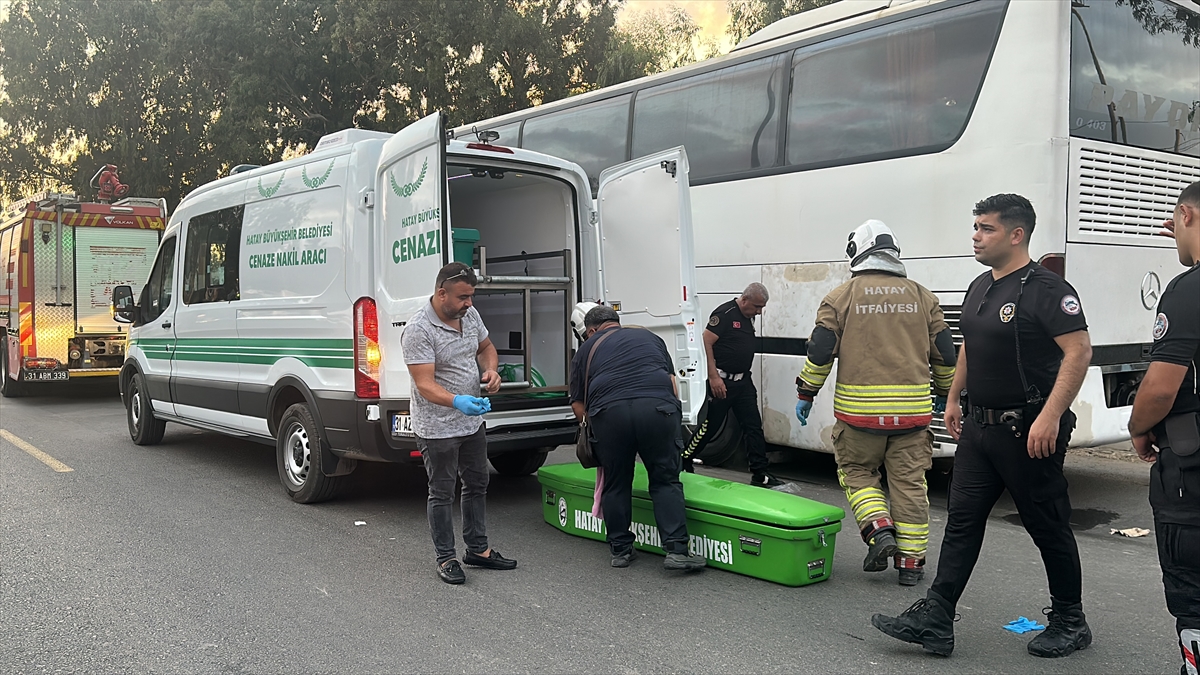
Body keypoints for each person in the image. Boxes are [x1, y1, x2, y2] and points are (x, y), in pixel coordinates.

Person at [872, 194, 1094, 658]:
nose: (975, 235)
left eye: (986, 228)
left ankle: (1071, 620)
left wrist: (1051, 416)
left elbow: (1079, 352)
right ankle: (936, 616)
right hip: (979, 429)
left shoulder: (1046, 288)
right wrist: (953, 398)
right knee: (962, 523)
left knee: (1047, 525)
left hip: (1028, 430)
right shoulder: (979, 285)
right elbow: (969, 343)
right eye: (975, 226)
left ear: (1016, 235)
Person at [795, 219, 955, 586]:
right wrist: (947, 394)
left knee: (857, 472)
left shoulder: (841, 297)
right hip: (914, 418)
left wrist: (806, 393)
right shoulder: (923, 296)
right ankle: (911, 565)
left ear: (856, 251)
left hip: (858, 418)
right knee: (911, 484)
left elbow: (821, 352)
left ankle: (878, 530)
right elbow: (945, 354)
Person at [569, 304, 707, 571]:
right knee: (665, 479)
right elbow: (671, 383)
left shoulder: (585, 350)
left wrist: (597, 427)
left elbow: (577, 404)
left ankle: (621, 550)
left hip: (609, 415)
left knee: (616, 481)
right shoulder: (650, 338)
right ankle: (677, 550)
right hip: (657, 410)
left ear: (592, 330)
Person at [402, 262, 516, 585]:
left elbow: (486, 348)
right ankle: (446, 557)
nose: (469, 303)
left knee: (478, 483)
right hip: (437, 428)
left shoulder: (469, 316)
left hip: (472, 423)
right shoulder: (418, 330)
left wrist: (491, 371)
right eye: (463, 297)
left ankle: (477, 549)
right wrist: (456, 401)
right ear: (441, 294)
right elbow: (424, 384)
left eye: (471, 296)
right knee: (441, 492)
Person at [1128, 180, 1200, 675]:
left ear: (1187, 216)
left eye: (1172, 223)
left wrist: (1138, 426)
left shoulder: (1188, 288)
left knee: (1192, 588)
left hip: (1192, 474)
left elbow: (1160, 387)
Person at [682, 282, 782, 487]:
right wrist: (713, 376)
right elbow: (706, 341)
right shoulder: (725, 314)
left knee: (753, 425)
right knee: (711, 427)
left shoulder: (748, 316)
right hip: (723, 382)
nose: (759, 312)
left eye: (761, 307)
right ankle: (685, 457)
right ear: (744, 300)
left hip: (743, 381)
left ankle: (760, 472)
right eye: (756, 307)